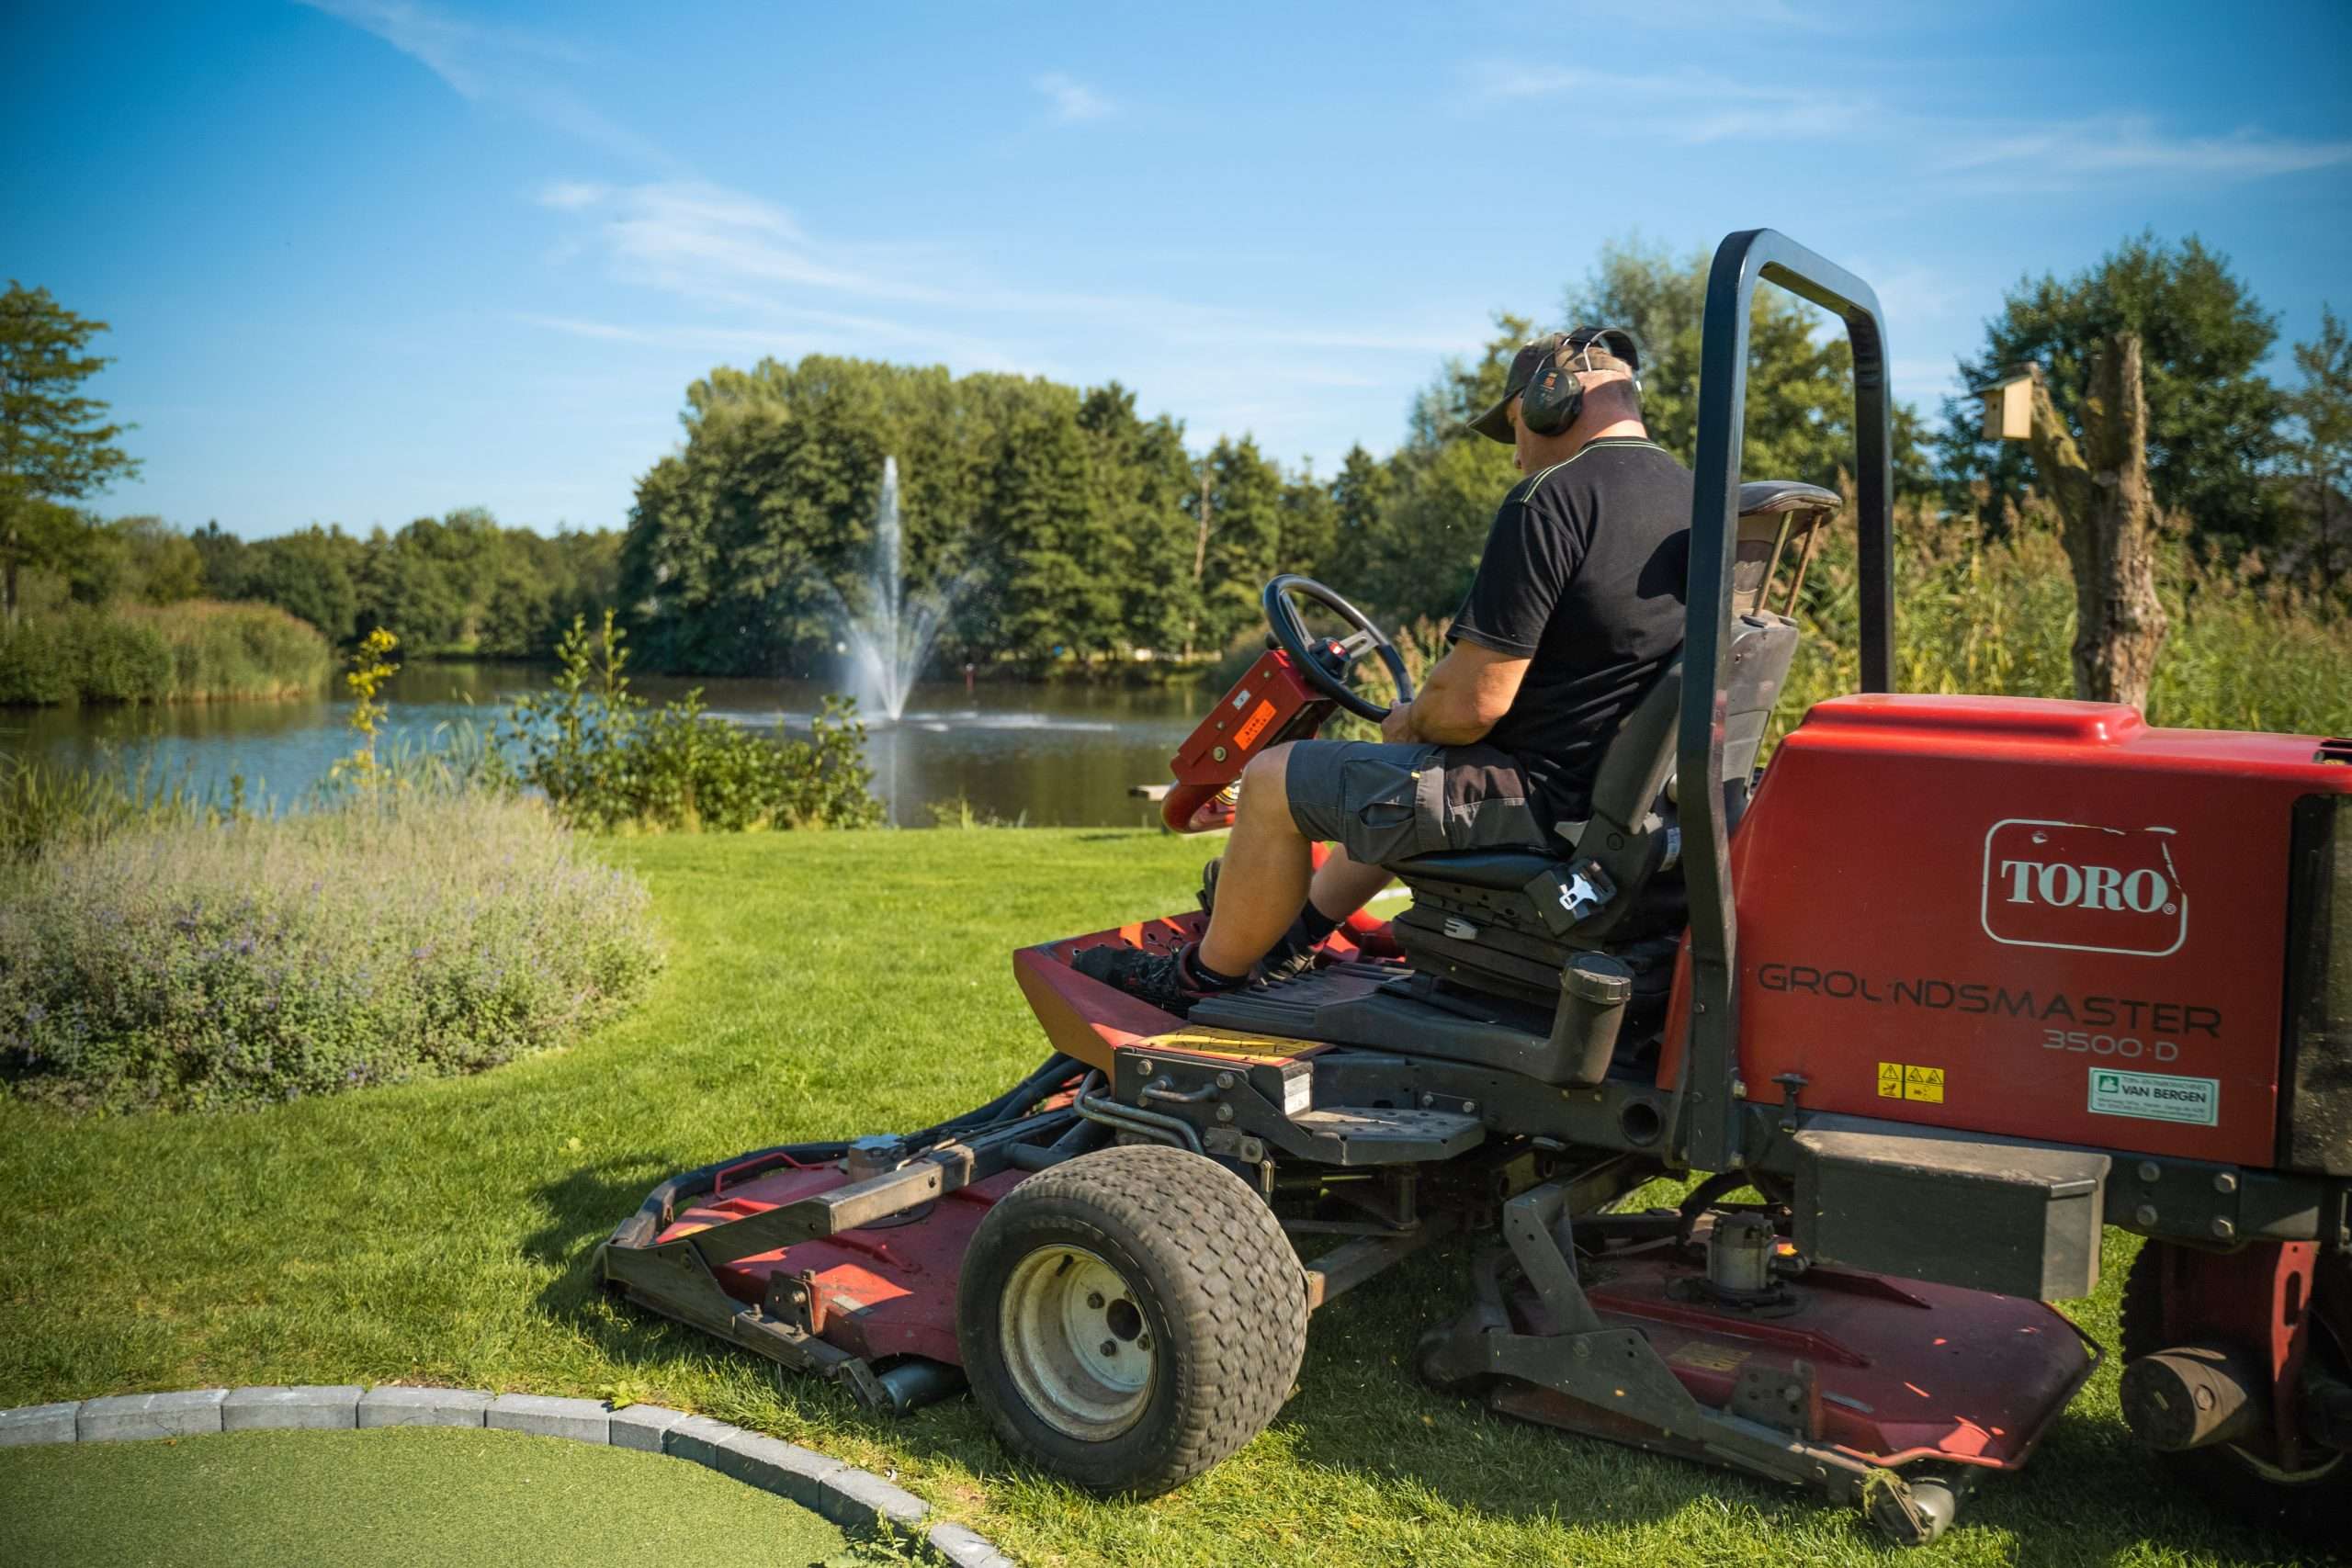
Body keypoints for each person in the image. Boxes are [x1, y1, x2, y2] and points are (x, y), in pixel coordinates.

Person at [1078, 328, 1692, 1015]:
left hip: (1544, 807)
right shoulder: (1696, 500)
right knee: (1411, 768)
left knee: (1274, 778)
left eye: (1516, 427)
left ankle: (1204, 977)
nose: (1517, 454)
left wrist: (1412, 717)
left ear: (1552, 399)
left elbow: (1471, 705)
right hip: (1625, 807)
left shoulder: (1550, 500)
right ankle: (1297, 935)